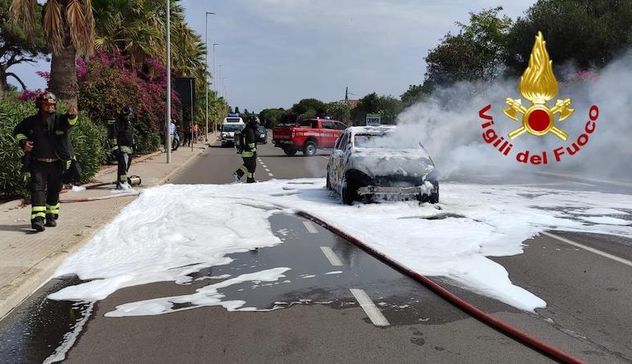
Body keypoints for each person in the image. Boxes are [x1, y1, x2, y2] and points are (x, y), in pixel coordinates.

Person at [13, 92, 78, 232]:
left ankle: (50, 216)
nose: (50, 107)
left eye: (52, 104)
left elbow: (70, 123)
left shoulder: (60, 119)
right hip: (38, 163)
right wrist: (23, 142)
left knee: (54, 190)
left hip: (57, 163)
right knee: (37, 190)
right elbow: (17, 131)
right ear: (40, 105)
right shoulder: (30, 121)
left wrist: (72, 115)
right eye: (47, 104)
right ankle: (37, 219)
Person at [108, 105, 135, 190]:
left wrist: (134, 144)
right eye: (128, 115)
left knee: (126, 167)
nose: (129, 117)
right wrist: (115, 148)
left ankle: (123, 181)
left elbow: (130, 135)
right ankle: (122, 183)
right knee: (123, 167)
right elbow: (113, 136)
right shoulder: (118, 123)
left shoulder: (128, 123)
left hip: (129, 148)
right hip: (122, 148)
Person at [233, 115, 258, 183]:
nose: (257, 125)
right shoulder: (250, 130)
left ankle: (247, 178)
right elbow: (251, 140)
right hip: (250, 152)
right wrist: (253, 150)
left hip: (246, 152)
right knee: (251, 167)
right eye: (256, 123)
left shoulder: (247, 129)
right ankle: (249, 179)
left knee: (248, 166)